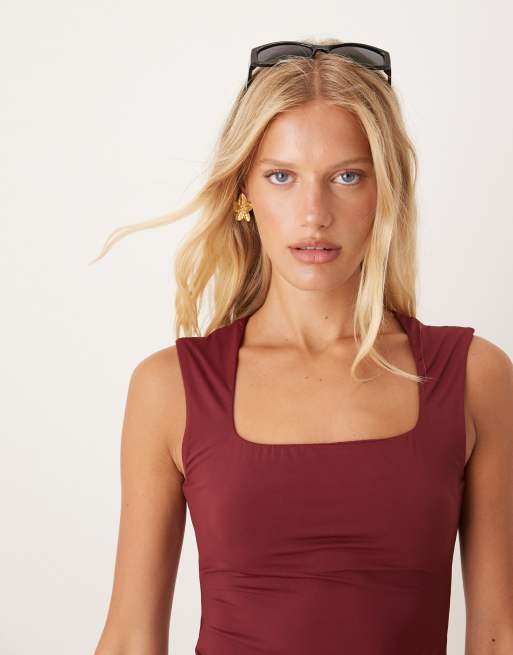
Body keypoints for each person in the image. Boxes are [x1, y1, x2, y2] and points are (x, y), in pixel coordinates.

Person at [92, 38, 513, 655]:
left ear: (385, 191)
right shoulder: (171, 388)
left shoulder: (473, 376)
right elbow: (131, 637)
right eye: (282, 176)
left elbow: (500, 635)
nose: (314, 213)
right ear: (244, 191)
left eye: (347, 176)